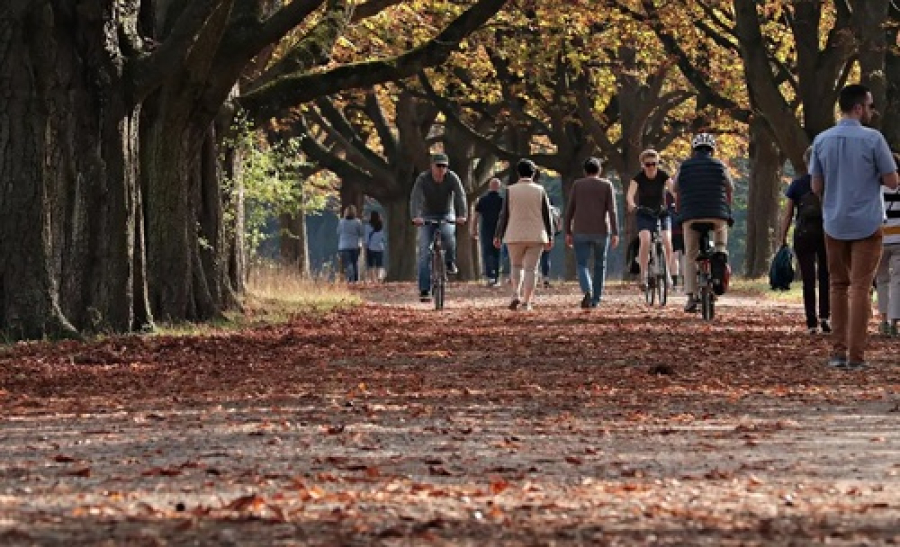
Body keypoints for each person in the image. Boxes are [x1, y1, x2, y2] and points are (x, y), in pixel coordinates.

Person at [810, 83, 899, 369]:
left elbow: (816, 186)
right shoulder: (874, 140)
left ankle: (837, 352)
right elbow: (892, 181)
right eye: (870, 106)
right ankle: (856, 356)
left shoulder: (822, 141)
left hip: (834, 222)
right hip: (868, 222)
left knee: (837, 285)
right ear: (859, 108)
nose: (873, 111)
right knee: (861, 287)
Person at [672, 133, 733, 313]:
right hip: (717, 214)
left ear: (694, 149)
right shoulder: (720, 166)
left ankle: (691, 297)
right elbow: (731, 187)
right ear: (712, 150)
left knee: (691, 254)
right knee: (720, 245)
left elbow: (675, 188)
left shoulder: (684, 167)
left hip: (691, 215)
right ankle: (718, 270)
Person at [779, 146, 830, 334]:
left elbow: (788, 214)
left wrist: (782, 237)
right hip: (826, 232)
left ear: (806, 162)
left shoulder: (797, 184)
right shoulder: (828, 183)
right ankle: (825, 316)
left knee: (808, 278)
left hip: (803, 234)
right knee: (826, 275)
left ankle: (811, 322)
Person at [493, 159, 554, 311]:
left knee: (516, 265)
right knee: (531, 269)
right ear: (533, 174)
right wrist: (550, 235)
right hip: (536, 234)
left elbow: (504, 215)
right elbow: (547, 215)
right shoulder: (540, 190)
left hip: (514, 233)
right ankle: (527, 302)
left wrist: (498, 234)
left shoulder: (510, 190)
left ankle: (515, 294)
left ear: (518, 173)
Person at [409, 153, 467, 302]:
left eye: (444, 166)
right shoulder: (423, 179)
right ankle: (424, 289)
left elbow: (460, 196)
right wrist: (415, 216)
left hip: (446, 213)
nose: (441, 169)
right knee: (424, 252)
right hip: (427, 215)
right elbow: (415, 197)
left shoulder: (452, 178)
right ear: (432, 166)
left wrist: (462, 215)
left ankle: (449, 261)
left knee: (449, 236)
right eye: (438, 166)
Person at [564, 157, 620, 309]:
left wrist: (568, 231)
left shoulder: (577, 185)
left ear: (585, 170)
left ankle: (587, 289)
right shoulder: (607, 185)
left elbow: (570, 210)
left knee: (582, 264)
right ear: (599, 170)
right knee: (600, 265)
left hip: (580, 230)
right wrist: (615, 232)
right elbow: (612, 210)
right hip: (601, 230)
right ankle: (596, 298)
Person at [626, 149, 675, 291]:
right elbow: (630, 194)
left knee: (667, 240)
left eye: (654, 163)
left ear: (658, 163)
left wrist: (677, 201)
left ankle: (667, 273)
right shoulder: (638, 178)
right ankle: (643, 275)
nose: (651, 167)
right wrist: (632, 204)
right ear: (643, 165)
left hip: (662, 212)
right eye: (648, 164)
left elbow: (673, 189)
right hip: (644, 213)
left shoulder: (663, 175)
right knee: (646, 240)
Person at [875, 152, 900, 337]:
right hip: (899, 240)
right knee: (898, 282)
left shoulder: (876, 191)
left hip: (880, 240)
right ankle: (894, 323)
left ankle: (883, 320)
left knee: (882, 281)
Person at [470, 177, 504, 287]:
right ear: (499, 187)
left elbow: (476, 215)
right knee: (497, 253)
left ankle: (490, 276)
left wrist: (473, 228)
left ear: (489, 187)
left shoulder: (483, 200)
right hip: (498, 230)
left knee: (487, 252)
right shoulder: (502, 200)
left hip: (486, 229)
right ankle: (496, 277)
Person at [337, 205, 364, 283]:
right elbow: (361, 233)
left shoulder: (341, 222)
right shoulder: (357, 222)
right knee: (354, 262)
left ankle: (350, 278)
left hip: (344, 246)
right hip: (355, 245)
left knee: (348, 263)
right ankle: (355, 280)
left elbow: (338, 232)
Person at [364, 210, 386, 283]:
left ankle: (373, 280)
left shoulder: (367, 227)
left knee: (371, 265)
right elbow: (383, 238)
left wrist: (365, 247)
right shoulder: (382, 226)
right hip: (380, 248)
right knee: (379, 265)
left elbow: (366, 239)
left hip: (370, 248)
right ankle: (378, 278)